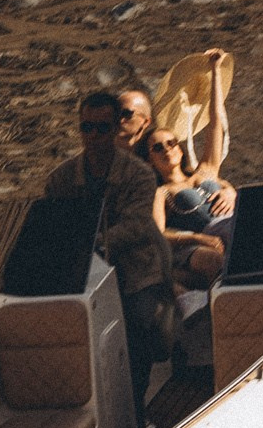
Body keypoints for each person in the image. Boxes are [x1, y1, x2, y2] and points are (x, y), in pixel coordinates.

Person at [43, 90, 174, 402]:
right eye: (86, 128)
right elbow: (51, 222)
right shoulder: (60, 179)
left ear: (116, 129)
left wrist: (95, 241)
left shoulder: (140, 175)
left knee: (139, 327)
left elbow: (137, 225)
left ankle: (135, 404)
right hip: (80, 273)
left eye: (102, 128)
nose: (93, 136)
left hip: (134, 273)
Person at [145, 49, 236, 283]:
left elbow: (215, 122)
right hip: (205, 240)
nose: (166, 149)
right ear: (150, 160)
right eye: (157, 148)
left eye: (170, 143)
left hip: (232, 225)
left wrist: (215, 72)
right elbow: (159, 234)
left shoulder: (206, 170)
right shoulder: (162, 193)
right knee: (213, 259)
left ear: (179, 147)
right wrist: (197, 239)